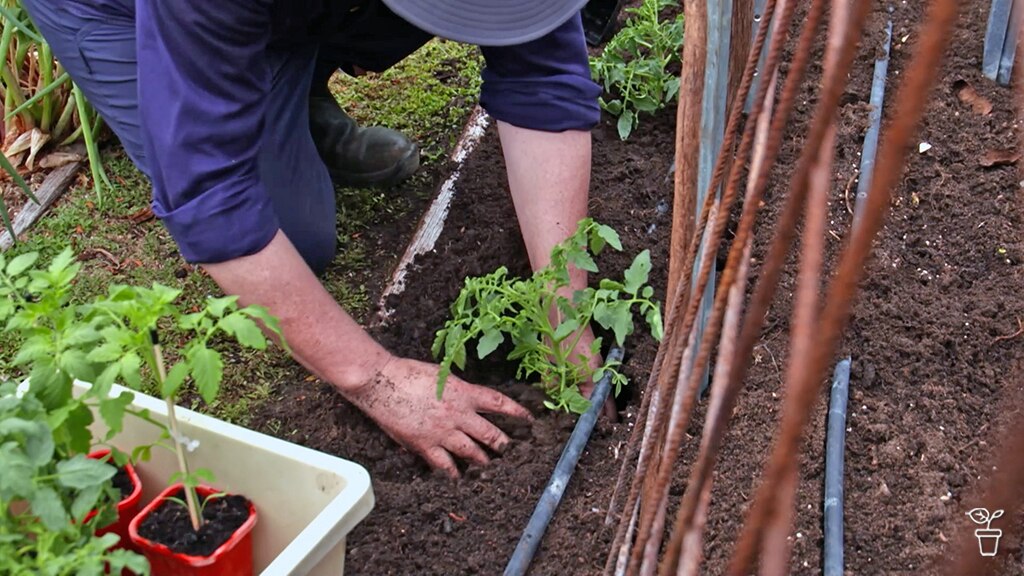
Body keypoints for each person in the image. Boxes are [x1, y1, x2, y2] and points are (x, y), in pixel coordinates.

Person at [21, 0, 607, 478]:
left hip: (276, 14)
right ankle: (244, 97)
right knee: (294, 240)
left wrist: (566, 308)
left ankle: (285, 95)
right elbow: (210, 195)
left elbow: (543, 81)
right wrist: (375, 380)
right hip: (124, 13)